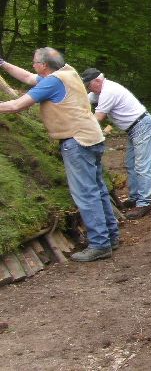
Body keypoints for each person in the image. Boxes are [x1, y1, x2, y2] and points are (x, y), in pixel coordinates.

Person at [0, 49, 119, 262]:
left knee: (86, 194)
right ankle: (111, 236)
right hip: (92, 137)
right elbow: (28, 77)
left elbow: (17, 105)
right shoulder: (67, 73)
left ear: (44, 65)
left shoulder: (51, 82)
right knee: (98, 189)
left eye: (35, 62)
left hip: (77, 141)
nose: (32, 64)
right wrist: (3, 64)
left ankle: (100, 245)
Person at [82, 68, 151, 219]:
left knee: (142, 165)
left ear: (97, 81)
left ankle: (144, 203)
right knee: (131, 163)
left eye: (89, 86)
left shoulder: (109, 91)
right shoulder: (100, 90)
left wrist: (79, 128)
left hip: (141, 125)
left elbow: (98, 117)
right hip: (134, 128)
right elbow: (84, 99)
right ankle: (135, 197)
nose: (88, 89)